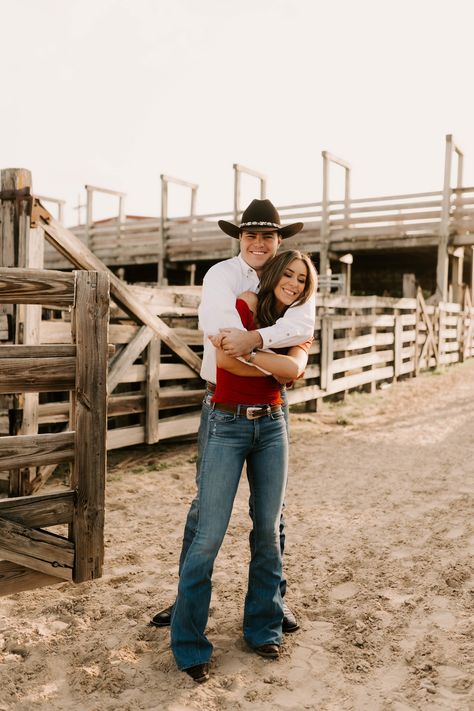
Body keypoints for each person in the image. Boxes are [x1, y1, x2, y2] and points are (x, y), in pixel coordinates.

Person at [150, 199, 315, 634]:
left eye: (268, 235)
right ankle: (185, 600)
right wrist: (274, 359)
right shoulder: (222, 275)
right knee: (207, 509)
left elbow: (299, 334)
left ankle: (272, 601)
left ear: (280, 241)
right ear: (240, 239)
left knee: (270, 515)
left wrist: (257, 340)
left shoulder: (292, 279)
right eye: (251, 235)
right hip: (222, 403)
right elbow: (226, 344)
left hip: (272, 406)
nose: (259, 243)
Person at [171, 249, 317, 682]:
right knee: (209, 534)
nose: (294, 283)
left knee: (269, 530)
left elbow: (293, 369)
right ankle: (189, 643)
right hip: (227, 422)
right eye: (287, 274)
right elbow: (226, 361)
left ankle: (263, 627)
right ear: (272, 275)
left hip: (272, 427)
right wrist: (271, 364)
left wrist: (257, 352)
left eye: (302, 279)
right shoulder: (235, 304)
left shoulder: (296, 322)